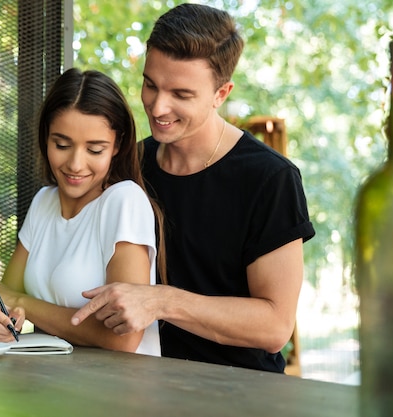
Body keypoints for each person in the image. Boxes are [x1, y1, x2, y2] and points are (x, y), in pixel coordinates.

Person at [71, 4, 315, 373]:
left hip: (239, 394)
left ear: (221, 93)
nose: (157, 106)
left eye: (181, 94)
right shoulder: (130, 166)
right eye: (150, 84)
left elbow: (275, 326)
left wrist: (162, 301)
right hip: (141, 387)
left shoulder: (270, 178)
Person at [0, 68, 165, 356]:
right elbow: (5, 298)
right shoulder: (43, 202)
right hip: (50, 384)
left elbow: (122, 339)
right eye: (62, 145)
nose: (76, 164)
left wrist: (23, 303)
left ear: (117, 146)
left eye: (95, 150)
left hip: (120, 392)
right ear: (45, 138)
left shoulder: (124, 201)